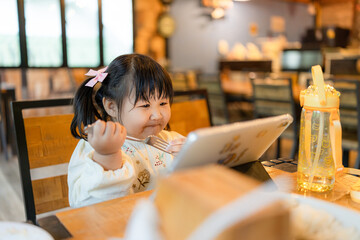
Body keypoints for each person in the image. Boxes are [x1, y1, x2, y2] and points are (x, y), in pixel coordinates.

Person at [68, 53, 185, 208]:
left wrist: (191, 160)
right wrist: (107, 156)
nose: (157, 115)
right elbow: (85, 205)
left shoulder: (171, 141)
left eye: (163, 103)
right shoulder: (95, 148)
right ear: (111, 107)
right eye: (145, 105)